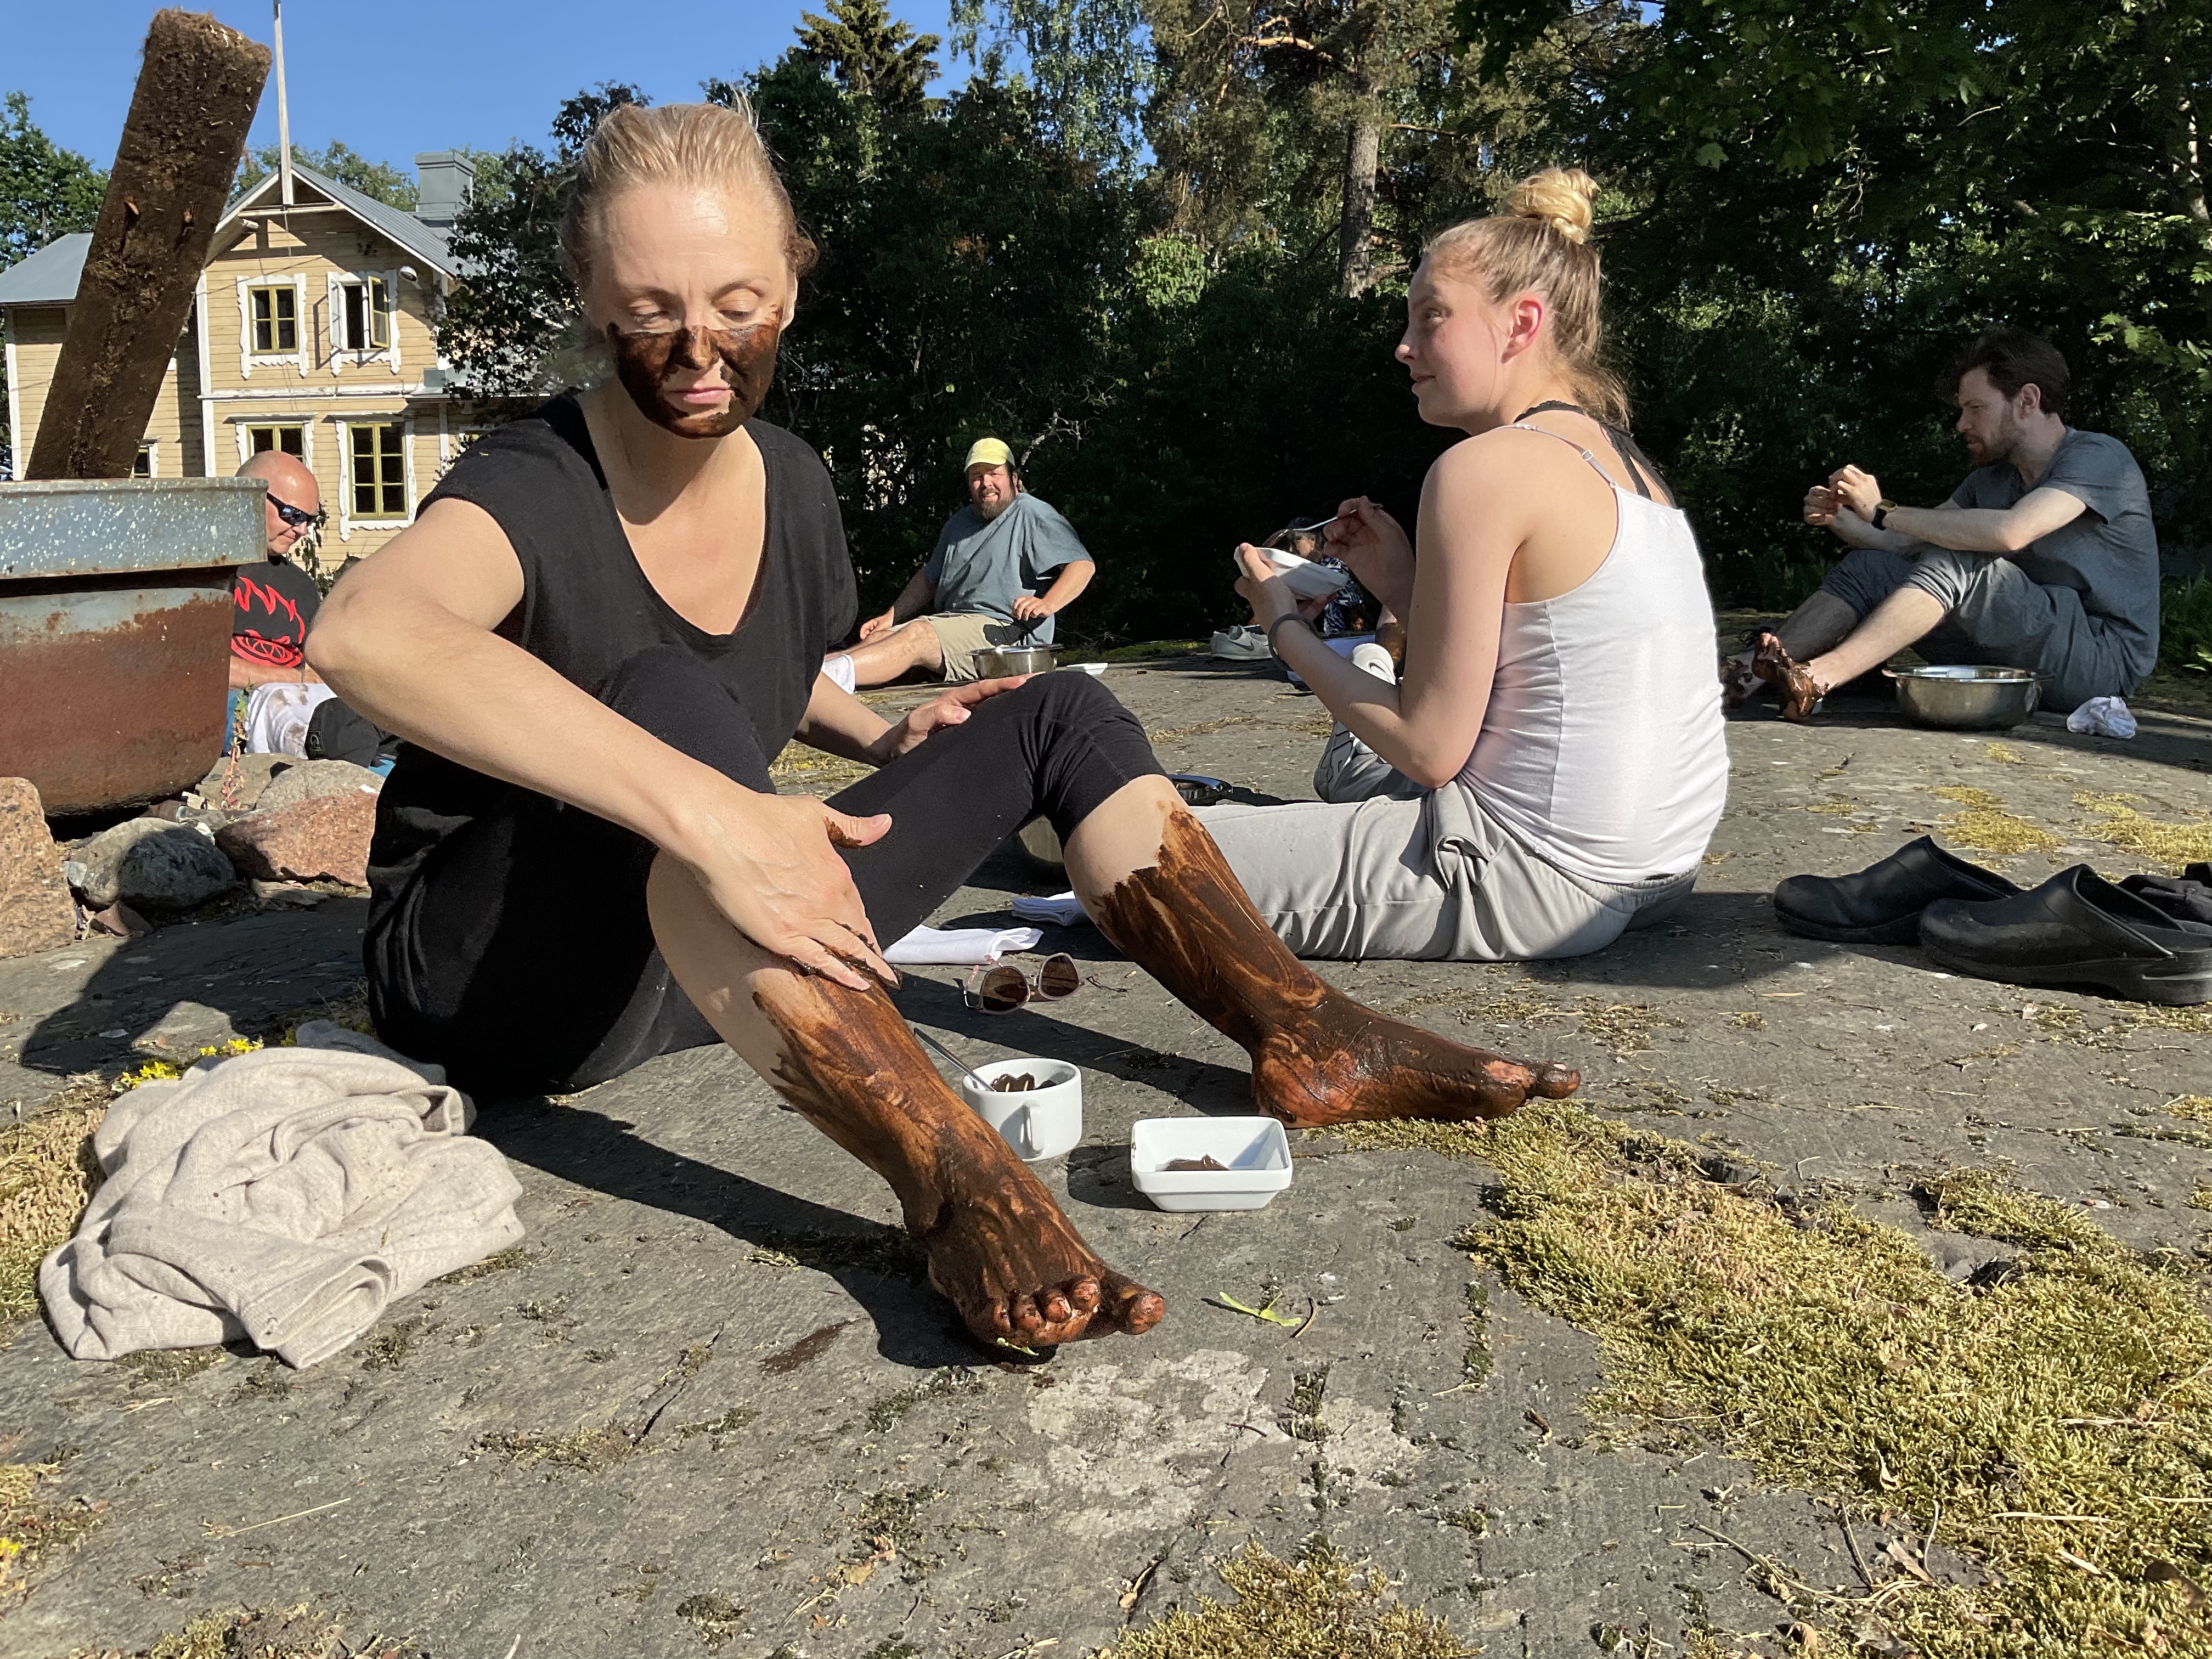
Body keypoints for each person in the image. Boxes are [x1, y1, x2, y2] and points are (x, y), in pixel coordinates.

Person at [305, 101, 1576, 1353]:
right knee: (660, 703)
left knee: (1059, 706)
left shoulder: (794, 482)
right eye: (651, 312)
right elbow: (365, 636)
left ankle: (1305, 1034)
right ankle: (959, 1184)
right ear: (592, 300)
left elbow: (765, 670)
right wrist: (721, 815)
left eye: (737, 304)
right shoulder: (536, 477)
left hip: (719, 961)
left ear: (791, 292)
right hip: (498, 981)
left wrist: (879, 745)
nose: (700, 347)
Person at [1198, 167, 1729, 963]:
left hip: (1539, 878)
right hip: (1657, 869)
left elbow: (1429, 746)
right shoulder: (1627, 465)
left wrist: (1282, 626)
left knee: (1129, 853)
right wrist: (1404, 587)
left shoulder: (1486, 467)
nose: (1403, 345)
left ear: (1521, 323)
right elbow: (1551, 668)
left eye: (1432, 316)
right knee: (1349, 784)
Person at [1729, 329, 2160, 720]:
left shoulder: (2099, 459)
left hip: (2099, 662)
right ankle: (1739, 678)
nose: (1962, 425)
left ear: (2027, 401)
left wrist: (1883, 509)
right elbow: (1900, 544)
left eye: (1975, 408)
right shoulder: (1990, 480)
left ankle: (1817, 677)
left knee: (1962, 554)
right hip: (2015, 646)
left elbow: (2011, 532)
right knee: (1871, 568)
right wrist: (1844, 518)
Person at [825, 439, 1094, 689]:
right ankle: (809, 676)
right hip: (949, 624)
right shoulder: (960, 522)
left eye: (994, 474)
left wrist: (1046, 604)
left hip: (1003, 633)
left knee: (918, 635)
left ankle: (820, 682)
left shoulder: (1032, 512)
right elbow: (929, 578)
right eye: (977, 477)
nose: (986, 483)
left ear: (1013, 479)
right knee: (877, 640)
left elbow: (1082, 566)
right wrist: (890, 617)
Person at [226, 453, 391, 768]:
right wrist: (293, 679)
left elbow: (318, 670)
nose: (301, 529)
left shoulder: (300, 585)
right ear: (248, 497)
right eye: (291, 514)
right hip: (234, 705)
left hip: (301, 703)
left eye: (308, 519)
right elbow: (200, 670)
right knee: (312, 724)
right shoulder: (204, 573)